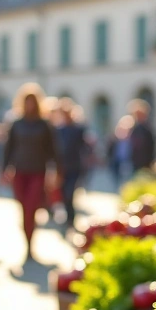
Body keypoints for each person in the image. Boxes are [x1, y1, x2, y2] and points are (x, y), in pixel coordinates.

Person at [2, 84, 58, 261]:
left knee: (31, 206)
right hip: (20, 171)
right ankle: (27, 234)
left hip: (37, 170)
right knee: (23, 207)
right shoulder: (16, 123)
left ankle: (29, 245)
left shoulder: (44, 124)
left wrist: (56, 170)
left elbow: (53, 150)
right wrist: (4, 169)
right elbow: (8, 148)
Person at [52, 98, 90, 229]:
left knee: (69, 193)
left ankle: (70, 220)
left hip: (74, 166)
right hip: (62, 167)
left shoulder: (78, 129)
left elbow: (85, 147)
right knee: (62, 194)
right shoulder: (58, 130)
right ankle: (68, 217)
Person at [127, 100, 156, 173]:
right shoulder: (134, 128)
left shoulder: (146, 128)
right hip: (135, 160)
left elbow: (150, 145)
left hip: (145, 161)